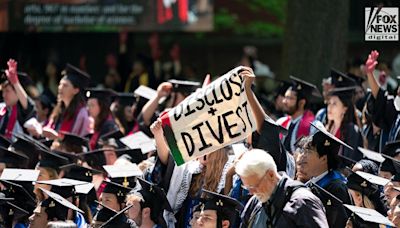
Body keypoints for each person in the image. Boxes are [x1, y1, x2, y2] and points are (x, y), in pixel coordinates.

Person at [236, 149, 328, 227]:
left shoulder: (302, 203)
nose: (252, 192)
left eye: (255, 186)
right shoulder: (255, 203)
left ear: (271, 175)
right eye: (247, 187)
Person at [295, 122, 353, 228]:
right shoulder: (312, 182)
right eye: (303, 150)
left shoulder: (336, 189)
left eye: (309, 151)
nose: (303, 155)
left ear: (323, 159)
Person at [43, 64, 91, 139]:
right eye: (60, 84)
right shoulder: (58, 109)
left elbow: (80, 142)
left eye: (65, 85)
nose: (60, 88)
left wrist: (58, 138)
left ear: (75, 90)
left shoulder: (82, 114)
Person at [277, 76, 320, 153]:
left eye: (289, 98)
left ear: (301, 103)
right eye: (285, 97)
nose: (284, 101)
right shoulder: (281, 122)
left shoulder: (314, 127)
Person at [0, 59, 37, 139]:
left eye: (7, 91)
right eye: (3, 91)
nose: (3, 95)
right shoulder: (1, 108)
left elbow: (27, 104)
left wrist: (15, 82)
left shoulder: (23, 112)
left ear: (17, 93)